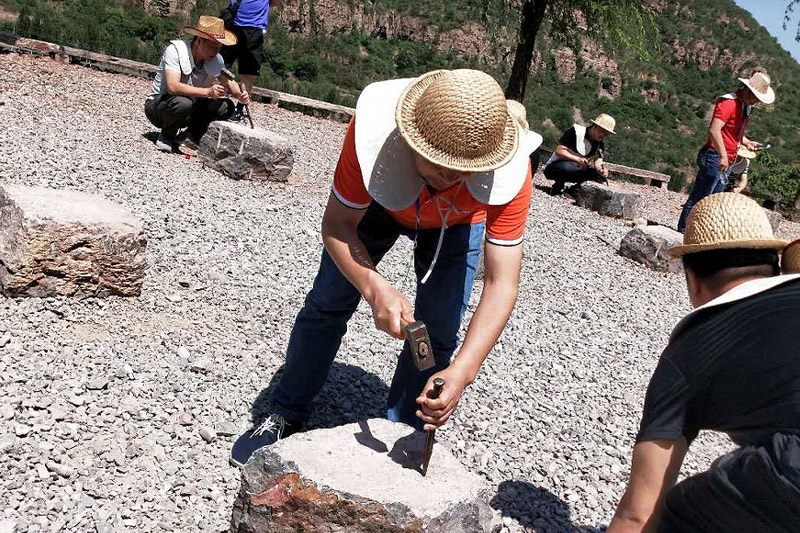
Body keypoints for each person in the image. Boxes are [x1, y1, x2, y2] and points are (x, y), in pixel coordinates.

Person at [230, 69, 543, 466]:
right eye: (440, 165)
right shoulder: (372, 138)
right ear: (410, 137)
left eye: (467, 170)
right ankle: (285, 411)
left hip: (459, 223)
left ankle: (402, 432)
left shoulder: (511, 172)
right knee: (328, 303)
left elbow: (502, 283)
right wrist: (374, 286)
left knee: (438, 334)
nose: (452, 179)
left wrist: (463, 371)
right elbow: (337, 226)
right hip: (380, 204)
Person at [608, 192, 800, 532]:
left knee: (677, 515)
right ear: (776, 266)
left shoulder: (692, 347)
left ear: (691, 280)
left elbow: (640, 512)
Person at [677, 72, 775, 232]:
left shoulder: (744, 107)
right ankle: (683, 231)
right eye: (757, 97)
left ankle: (699, 232)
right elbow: (714, 130)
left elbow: (733, 132)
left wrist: (747, 142)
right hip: (715, 156)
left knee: (715, 200)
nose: (757, 102)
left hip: (727, 158)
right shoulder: (728, 103)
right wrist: (723, 155)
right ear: (748, 91)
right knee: (700, 196)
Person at [144, 16, 250, 153]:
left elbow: (228, 81)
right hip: (159, 106)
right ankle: (166, 136)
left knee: (225, 106)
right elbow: (173, 87)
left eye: (218, 47)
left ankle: (190, 136)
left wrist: (239, 95)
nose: (215, 51)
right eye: (212, 46)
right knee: (183, 102)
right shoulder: (175, 51)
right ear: (199, 41)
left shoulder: (215, 60)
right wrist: (207, 92)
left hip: (188, 105)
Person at [220, 0, 279, 122]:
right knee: (234, 69)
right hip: (249, 29)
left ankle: (238, 106)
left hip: (237, 26)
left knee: (222, 66)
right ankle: (238, 109)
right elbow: (274, 3)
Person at [543, 114, 615, 196]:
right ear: (595, 126)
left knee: (600, 178)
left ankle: (575, 190)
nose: (603, 135)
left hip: (577, 170)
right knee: (567, 167)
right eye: (602, 131)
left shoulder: (599, 144)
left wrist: (601, 170)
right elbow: (559, 151)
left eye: (606, 134)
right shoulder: (575, 132)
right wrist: (577, 159)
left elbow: (598, 162)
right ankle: (558, 186)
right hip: (556, 167)